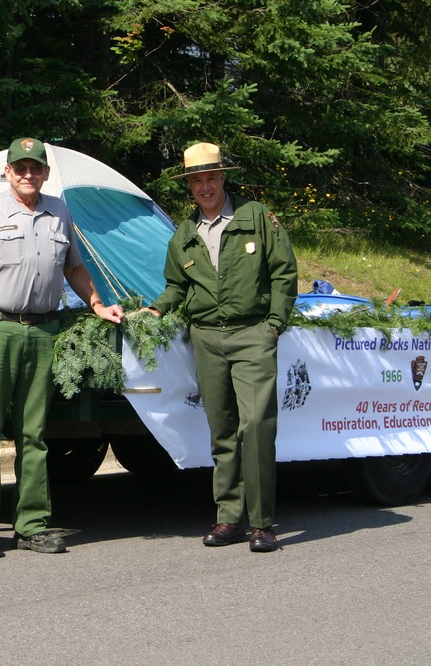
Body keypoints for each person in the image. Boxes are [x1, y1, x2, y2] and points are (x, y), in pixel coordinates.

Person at [0, 137, 125, 558]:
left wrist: (97, 304)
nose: (28, 174)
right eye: (20, 167)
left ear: (45, 173)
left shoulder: (58, 211)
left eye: (36, 168)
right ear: (7, 172)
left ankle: (31, 526)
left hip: (44, 332)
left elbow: (74, 267)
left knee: (35, 434)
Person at [147, 142, 297, 553]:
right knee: (223, 431)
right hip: (208, 338)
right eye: (197, 180)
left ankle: (262, 523)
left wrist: (274, 324)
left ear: (222, 178)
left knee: (257, 426)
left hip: (253, 334)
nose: (205, 187)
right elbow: (176, 286)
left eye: (211, 178)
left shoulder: (257, 217)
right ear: (190, 186)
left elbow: (284, 272)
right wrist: (156, 311)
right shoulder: (184, 235)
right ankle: (229, 517)